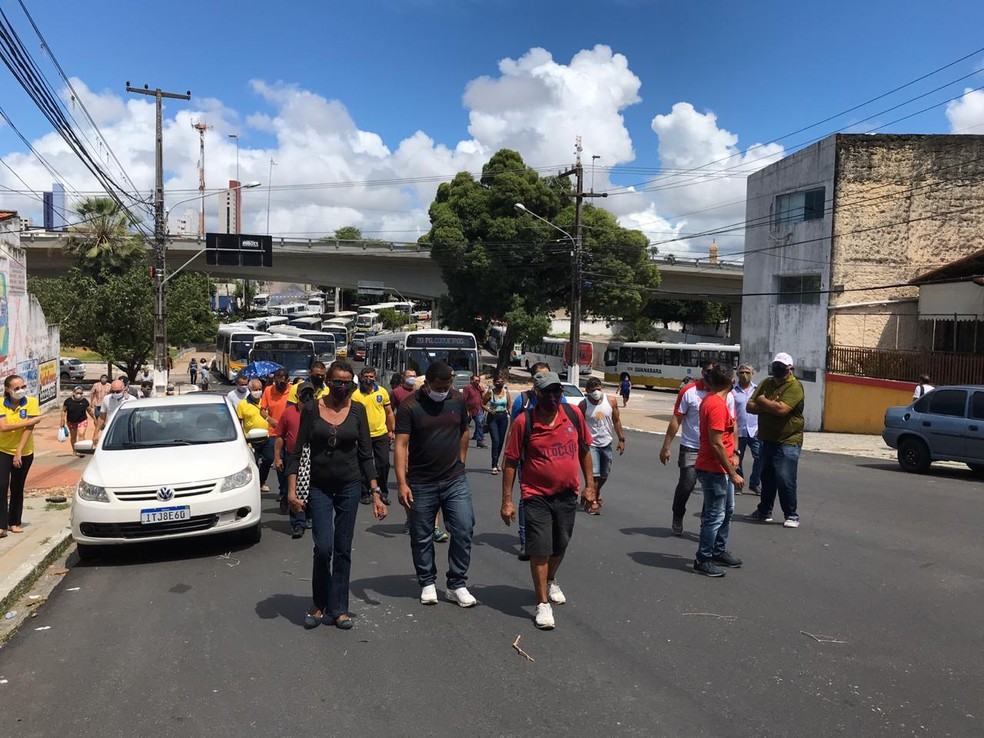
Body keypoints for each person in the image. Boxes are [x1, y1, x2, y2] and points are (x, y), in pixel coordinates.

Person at [286, 361, 387, 630]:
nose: (343, 388)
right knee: (323, 549)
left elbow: (366, 455)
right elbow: (297, 452)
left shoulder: (358, 410)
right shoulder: (310, 409)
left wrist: (376, 492)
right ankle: (319, 603)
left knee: (343, 549)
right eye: (337, 382)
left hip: (349, 486)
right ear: (327, 382)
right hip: (319, 486)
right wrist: (292, 491)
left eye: (347, 383)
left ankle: (339, 608)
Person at [500, 371, 595, 630]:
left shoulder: (573, 416)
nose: (553, 397)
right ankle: (542, 603)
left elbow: (585, 450)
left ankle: (551, 578)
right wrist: (507, 500)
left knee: (561, 543)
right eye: (547, 392)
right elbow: (510, 461)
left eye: (557, 392)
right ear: (537, 394)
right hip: (535, 495)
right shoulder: (524, 422)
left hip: (567, 494)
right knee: (540, 547)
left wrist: (591, 486)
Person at [394, 361, 477, 608]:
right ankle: (427, 582)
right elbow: (400, 444)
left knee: (463, 529)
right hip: (421, 483)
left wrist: (461, 460)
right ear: (427, 382)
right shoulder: (410, 406)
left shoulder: (457, 400)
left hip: (454, 480)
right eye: (438, 387)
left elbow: (464, 431)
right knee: (422, 536)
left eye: (447, 386)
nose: (443, 391)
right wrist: (401, 483)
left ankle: (457, 584)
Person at [660, 363, 735, 536]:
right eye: (709, 372)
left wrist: (735, 451)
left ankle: (706, 523)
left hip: (713, 450)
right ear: (702, 372)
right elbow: (676, 420)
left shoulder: (726, 395)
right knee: (687, 484)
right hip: (691, 447)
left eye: (715, 372)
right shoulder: (689, 391)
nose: (712, 375)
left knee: (711, 488)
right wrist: (666, 447)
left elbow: (733, 425)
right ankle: (678, 515)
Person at [693, 362, 743, 577]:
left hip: (722, 467)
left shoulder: (719, 402)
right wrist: (732, 473)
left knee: (727, 510)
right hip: (713, 469)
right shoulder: (715, 405)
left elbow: (727, 436)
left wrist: (735, 456)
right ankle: (703, 558)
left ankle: (717, 550)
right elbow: (716, 443)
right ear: (732, 382)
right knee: (715, 514)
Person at [745, 352, 805, 529]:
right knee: (767, 478)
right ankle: (764, 512)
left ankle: (791, 515)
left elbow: (782, 410)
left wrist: (762, 401)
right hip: (767, 439)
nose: (777, 370)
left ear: (790, 369)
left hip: (788, 441)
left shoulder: (794, 387)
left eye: (781, 367)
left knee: (785, 479)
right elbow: (749, 406)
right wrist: (770, 404)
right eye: (775, 366)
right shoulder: (766, 383)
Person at [508, 361, 559, 561]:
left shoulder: (557, 400)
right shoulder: (523, 401)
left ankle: (547, 538)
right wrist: (508, 455)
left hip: (553, 460)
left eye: (548, 375)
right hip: (526, 459)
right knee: (526, 498)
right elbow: (513, 430)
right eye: (540, 376)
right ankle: (525, 540)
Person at [0, 375, 42, 537]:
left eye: (22, 386)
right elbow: (3, 427)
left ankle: (14, 522)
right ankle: (1, 525)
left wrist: (18, 452)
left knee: (17, 487)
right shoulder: (1, 404)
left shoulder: (31, 402)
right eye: (16, 388)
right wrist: (31, 421)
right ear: (8, 390)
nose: (20, 390)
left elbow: (28, 431)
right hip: (3, 449)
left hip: (24, 452)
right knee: (1, 486)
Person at [276, 381, 316, 537]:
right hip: (293, 456)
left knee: (312, 488)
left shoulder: (317, 411)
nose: (307, 396)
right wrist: (277, 457)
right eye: (304, 393)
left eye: (310, 393)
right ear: (297, 395)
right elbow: (280, 436)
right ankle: (298, 523)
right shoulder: (288, 413)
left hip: (312, 456)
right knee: (294, 490)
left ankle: (310, 517)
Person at [580, 376, 625, 514]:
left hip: (606, 442)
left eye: (598, 389)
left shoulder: (610, 401)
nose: (596, 392)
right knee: (594, 474)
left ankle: (594, 492)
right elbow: (579, 426)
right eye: (593, 390)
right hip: (591, 444)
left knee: (604, 473)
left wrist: (621, 439)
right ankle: (592, 501)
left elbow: (616, 420)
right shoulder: (583, 405)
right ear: (587, 391)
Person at [352, 367, 395, 506]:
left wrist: (391, 431)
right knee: (364, 464)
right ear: (361, 377)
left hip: (381, 433)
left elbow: (389, 413)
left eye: (371, 376)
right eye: (366, 376)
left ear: (375, 377)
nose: (368, 379)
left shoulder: (382, 392)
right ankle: (365, 492)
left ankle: (383, 491)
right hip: (362, 436)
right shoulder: (356, 395)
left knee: (383, 464)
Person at [262, 368, 293, 510]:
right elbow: (262, 410)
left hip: (291, 432)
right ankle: (283, 490)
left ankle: (288, 491)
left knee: (290, 462)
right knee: (279, 463)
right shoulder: (268, 390)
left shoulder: (292, 390)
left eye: (283, 381)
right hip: (275, 432)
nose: (281, 384)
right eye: (278, 381)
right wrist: (270, 419)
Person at [237, 379, 274, 491]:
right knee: (254, 464)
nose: (258, 391)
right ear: (250, 390)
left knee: (269, 459)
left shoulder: (265, 401)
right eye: (255, 389)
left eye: (259, 389)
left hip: (266, 438)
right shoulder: (242, 404)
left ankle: (261, 482)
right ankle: (253, 485)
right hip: (251, 440)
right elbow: (239, 422)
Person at [733, 364, 763, 495]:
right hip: (738, 431)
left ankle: (754, 483)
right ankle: (738, 484)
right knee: (737, 459)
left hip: (755, 431)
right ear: (737, 374)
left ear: (752, 374)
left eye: (747, 372)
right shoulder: (732, 391)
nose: (744, 375)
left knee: (760, 457)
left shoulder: (758, 390)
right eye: (741, 372)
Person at [482, 370, 510, 474]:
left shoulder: (506, 392)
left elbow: (509, 405)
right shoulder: (490, 392)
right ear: (494, 383)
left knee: (501, 442)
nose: (500, 383)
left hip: (503, 417)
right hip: (492, 417)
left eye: (501, 381)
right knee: (496, 441)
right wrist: (489, 410)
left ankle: (497, 461)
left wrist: (512, 417)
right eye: (498, 382)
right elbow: (482, 403)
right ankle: (494, 465)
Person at [61, 385, 94, 457]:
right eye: (77, 393)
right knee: (73, 436)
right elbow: (63, 411)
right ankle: (74, 450)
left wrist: (95, 419)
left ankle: (82, 450)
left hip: (82, 420)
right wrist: (62, 420)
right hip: (71, 421)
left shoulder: (84, 401)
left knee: (81, 434)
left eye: (80, 393)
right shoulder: (68, 401)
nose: (79, 395)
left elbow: (90, 411)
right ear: (74, 392)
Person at [462, 374, 487, 448]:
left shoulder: (479, 388)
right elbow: (464, 399)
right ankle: (460, 439)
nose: (477, 382)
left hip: (478, 409)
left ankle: (479, 441)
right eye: (475, 380)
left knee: (479, 424)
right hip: (469, 410)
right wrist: (465, 410)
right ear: (471, 380)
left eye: (478, 381)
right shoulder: (468, 388)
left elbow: (483, 398)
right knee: (464, 426)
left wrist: (482, 391)